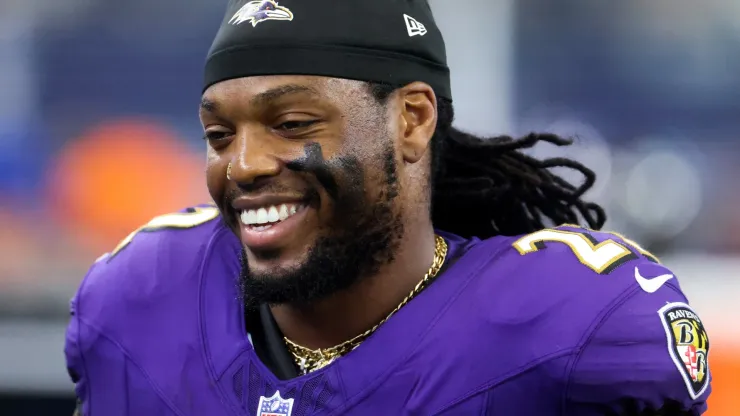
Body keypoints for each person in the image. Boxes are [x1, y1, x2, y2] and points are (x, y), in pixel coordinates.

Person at [64, 0, 711, 415]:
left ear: (411, 119)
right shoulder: (140, 300)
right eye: (219, 136)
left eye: (290, 122)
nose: (243, 165)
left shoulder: (568, 328)